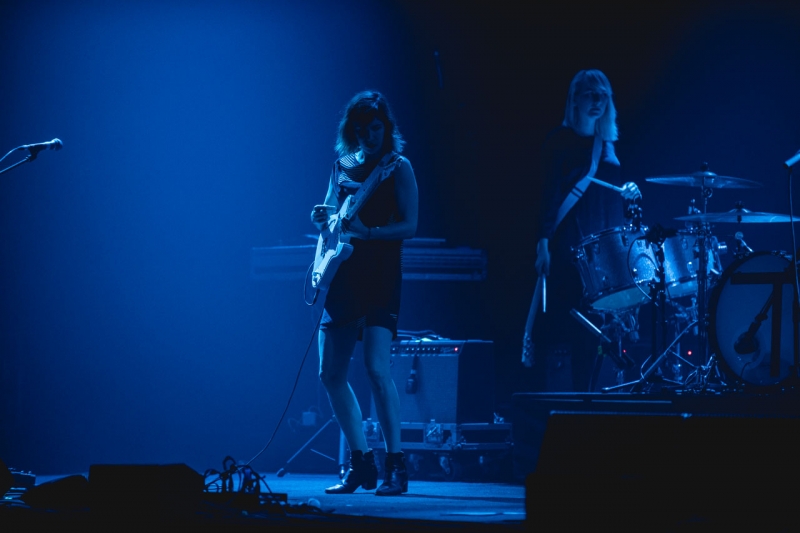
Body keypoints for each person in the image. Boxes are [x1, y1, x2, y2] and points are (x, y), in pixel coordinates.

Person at [310, 91, 418, 496]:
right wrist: (321, 218)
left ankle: (396, 465)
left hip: (380, 275)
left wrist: (371, 234)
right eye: (363, 129)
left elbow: (410, 225)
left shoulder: (397, 167)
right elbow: (329, 218)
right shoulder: (342, 166)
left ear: (386, 128)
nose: (371, 136)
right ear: (352, 130)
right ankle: (361, 463)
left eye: (377, 128)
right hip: (344, 275)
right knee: (330, 373)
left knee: (376, 369)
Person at [533, 69, 641, 391]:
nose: (597, 101)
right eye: (590, 95)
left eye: (603, 96)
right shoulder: (558, 143)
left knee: (598, 333)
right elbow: (547, 197)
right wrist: (542, 244)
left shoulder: (607, 146)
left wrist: (630, 192)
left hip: (602, 254)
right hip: (567, 250)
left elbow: (612, 201)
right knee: (568, 330)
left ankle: (591, 404)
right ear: (575, 100)